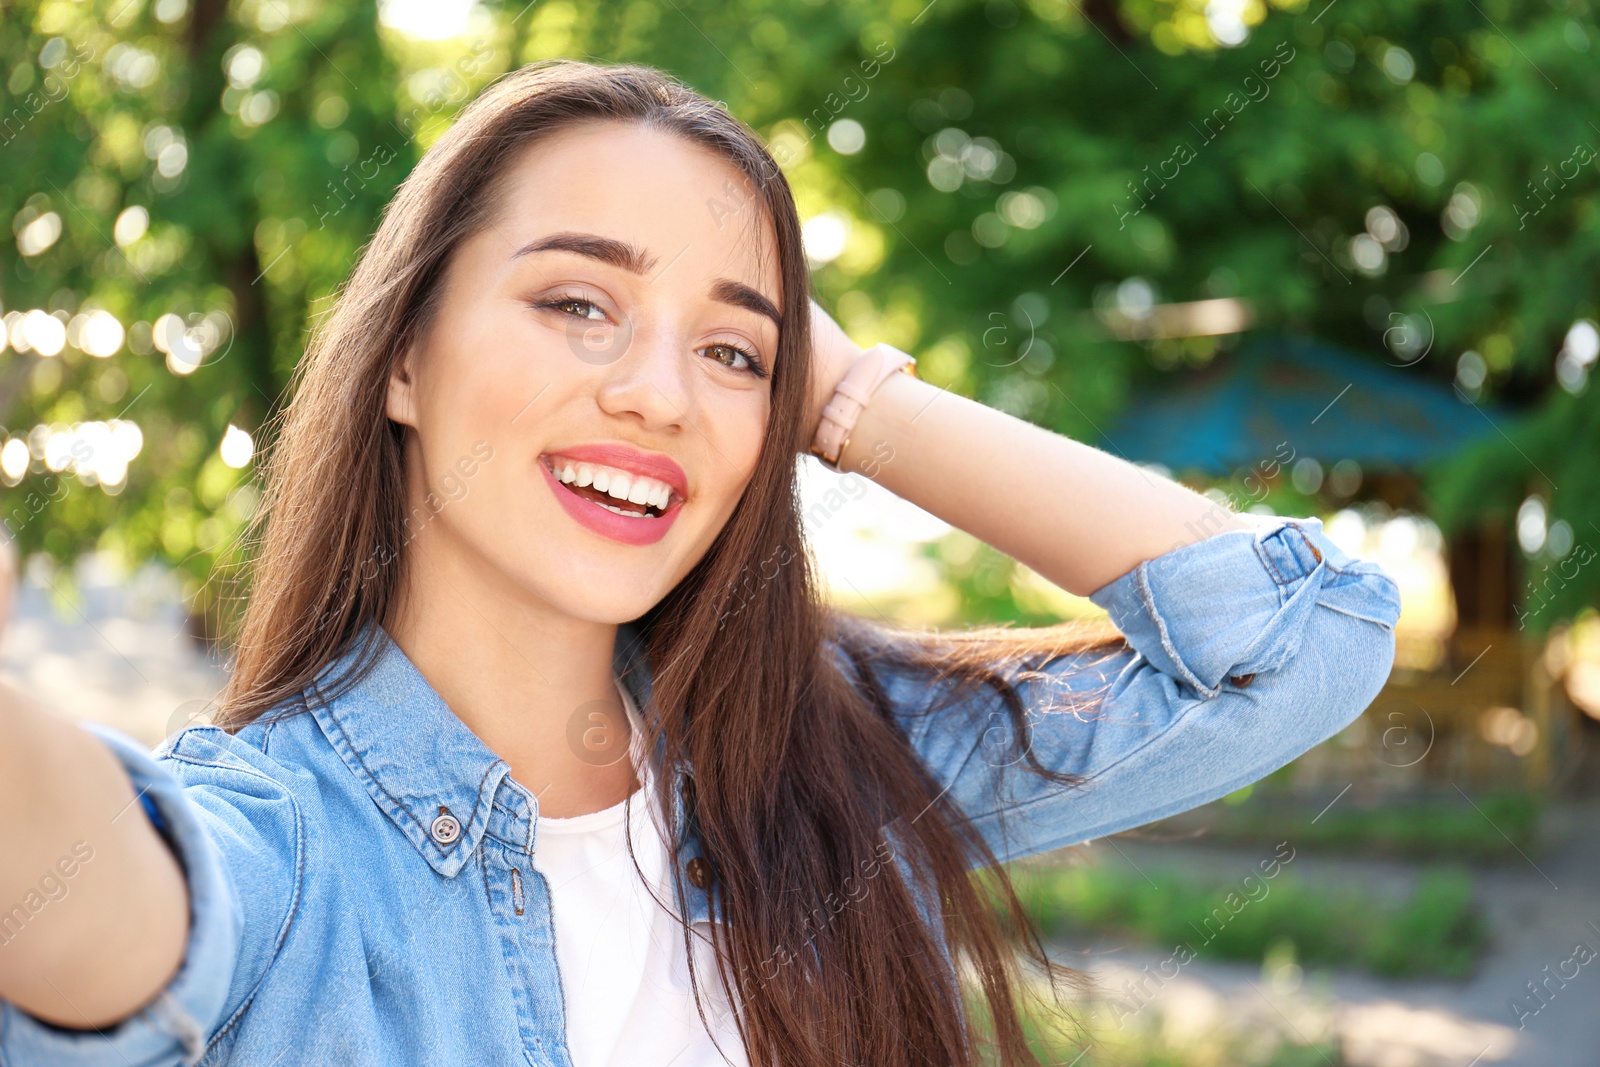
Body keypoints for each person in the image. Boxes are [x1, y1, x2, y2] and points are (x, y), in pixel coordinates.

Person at [0, 59, 1401, 1067]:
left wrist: (852, 402)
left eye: (735, 349)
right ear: (407, 355)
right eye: (578, 304)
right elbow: (104, 909)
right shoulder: (280, 848)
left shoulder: (834, 761)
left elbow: (1299, 637)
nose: (661, 397)